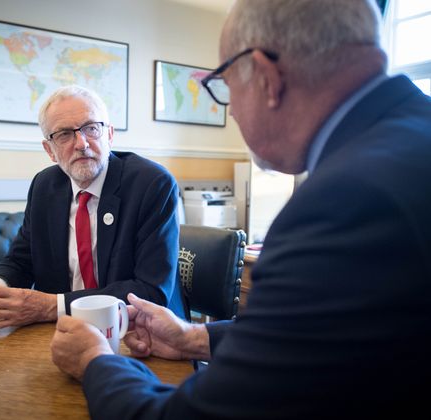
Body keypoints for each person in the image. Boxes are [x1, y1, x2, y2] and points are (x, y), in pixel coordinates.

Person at [50, 0, 431, 417]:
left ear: (267, 78)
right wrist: (193, 337)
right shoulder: (410, 140)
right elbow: (310, 336)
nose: (230, 114)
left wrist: (96, 361)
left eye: (226, 88)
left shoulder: (344, 201)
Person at [0, 85, 184, 328]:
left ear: (109, 135)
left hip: (140, 333)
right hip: (63, 335)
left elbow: (149, 292)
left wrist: (51, 306)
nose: (81, 143)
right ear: (50, 150)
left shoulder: (152, 184)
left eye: (91, 128)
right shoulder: (45, 186)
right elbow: (21, 260)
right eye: (64, 134)